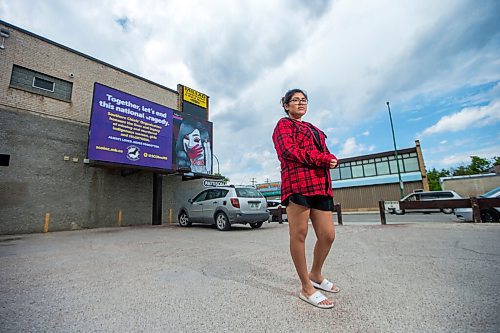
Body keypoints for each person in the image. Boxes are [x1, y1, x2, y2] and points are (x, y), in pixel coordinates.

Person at [272, 89, 339, 309]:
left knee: (328, 235)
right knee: (299, 234)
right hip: (298, 184)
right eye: (296, 100)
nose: (300, 103)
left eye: (304, 100)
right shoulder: (283, 125)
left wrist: (331, 160)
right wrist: (323, 159)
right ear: (286, 105)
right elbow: (289, 152)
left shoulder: (315, 130)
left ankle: (316, 274)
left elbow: (326, 153)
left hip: (320, 185)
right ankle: (305, 287)